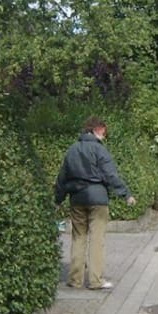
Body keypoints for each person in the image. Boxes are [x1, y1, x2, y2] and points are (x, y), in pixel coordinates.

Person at [54, 117, 136, 290]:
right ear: (97, 130)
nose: (104, 136)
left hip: (77, 199)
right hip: (98, 199)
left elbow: (62, 177)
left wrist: (58, 200)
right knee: (97, 240)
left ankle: (75, 280)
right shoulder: (100, 150)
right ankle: (95, 281)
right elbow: (110, 175)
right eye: (104, 132)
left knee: (78, 238)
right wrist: (126, 194)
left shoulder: (72, 149)